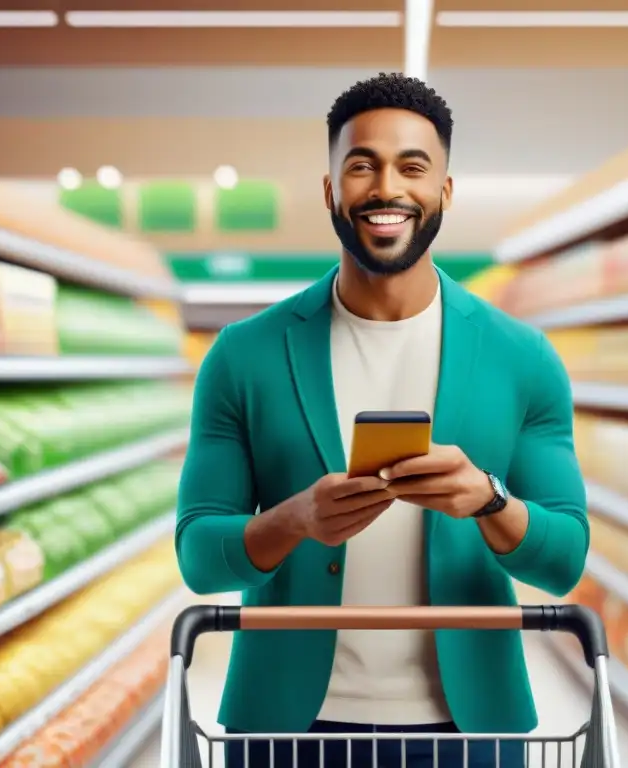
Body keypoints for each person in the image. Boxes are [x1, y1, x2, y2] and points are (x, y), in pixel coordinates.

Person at [176, 72, 589, 768]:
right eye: (360, 165)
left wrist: (489, 500)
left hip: (472, 730)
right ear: (331, 189)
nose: (385, 188)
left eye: (413, 166)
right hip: (286, 729)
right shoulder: (243, 355)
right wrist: (295, 520)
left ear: (445, 192)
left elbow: (563, 559)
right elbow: (198, 555)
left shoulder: (524, 358)